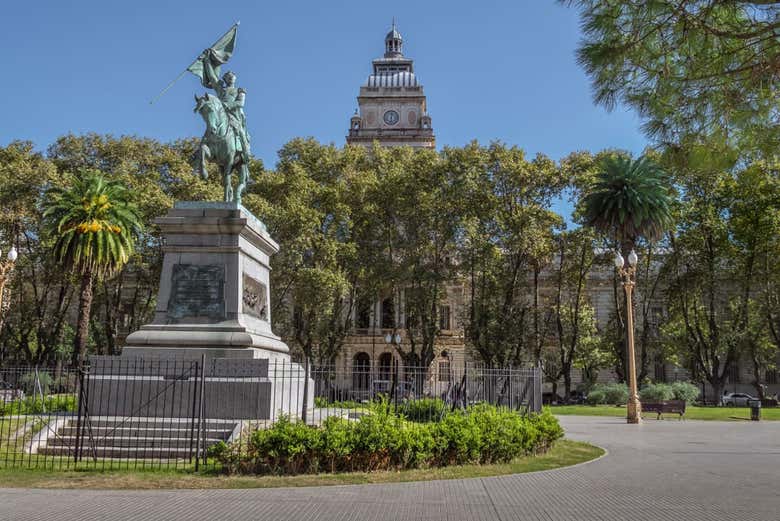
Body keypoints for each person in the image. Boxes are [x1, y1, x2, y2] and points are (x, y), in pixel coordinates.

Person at [198, 49, 252, 163]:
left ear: (235, 78)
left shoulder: (239, 90)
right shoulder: (221, 90)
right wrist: (207, 61)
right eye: (228, 76)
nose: (230, 77)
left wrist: (226, 105)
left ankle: (246, 153)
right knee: (209, 131)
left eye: (232, 76)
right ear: (225, 79)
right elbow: (212, 77)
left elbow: (240, 103)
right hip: (221, 115)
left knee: (240, 131)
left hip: (233, 115)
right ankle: (200, 153)